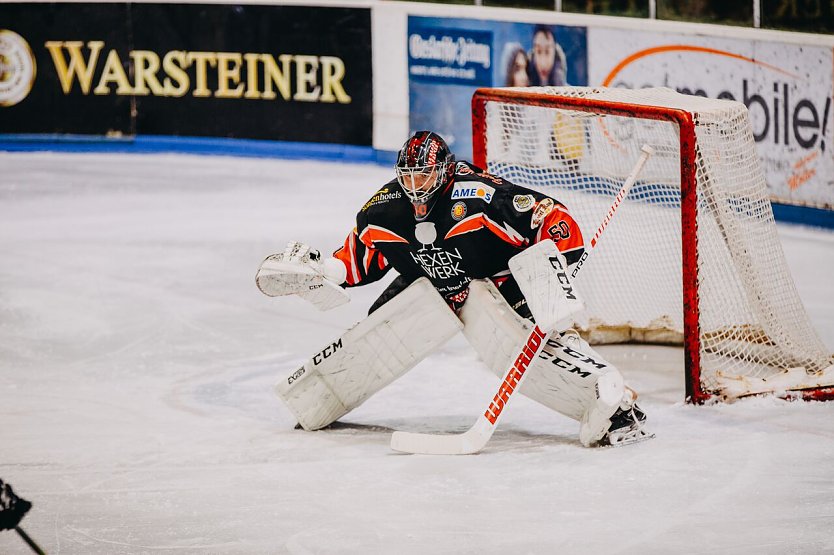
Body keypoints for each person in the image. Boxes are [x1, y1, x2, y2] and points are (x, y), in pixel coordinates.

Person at [257, 131, 651, 448]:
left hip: (495, 280)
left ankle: (617, 405)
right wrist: (323, 268)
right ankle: (318, 397)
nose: (415, 187)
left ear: (444, 172)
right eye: (407, 177)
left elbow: (549, 215)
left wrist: (556, 262)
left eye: (423, 176)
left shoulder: (477, 195)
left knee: (528, 347)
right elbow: (359, 259)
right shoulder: (384, 209)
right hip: (429, 283)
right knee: (372, 336)